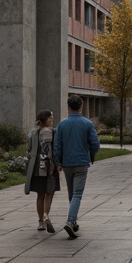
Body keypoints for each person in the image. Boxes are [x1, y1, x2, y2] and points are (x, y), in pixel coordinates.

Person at [53, 93, 100, 239]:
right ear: (81, 106)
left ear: (68, 107)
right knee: (78, 194)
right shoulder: (87, 124)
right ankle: (70, 220)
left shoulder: (62, 124)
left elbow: (57, 146)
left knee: (72, 194)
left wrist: (58, 162)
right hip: (81, 163)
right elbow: (95, 144)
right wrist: (91, 153)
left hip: (67, 164)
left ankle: (73, 221)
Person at [24, 111, 60, 233]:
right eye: (50, 118)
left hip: (36, 168)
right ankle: (45, 216)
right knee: (49, 193)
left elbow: (28, 151)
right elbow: (50, 151)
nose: (52, 120)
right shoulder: (50, 132)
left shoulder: (33, 133)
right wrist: (56, 166)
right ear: (45, 119)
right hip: (49, 166)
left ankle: (40, 221)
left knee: (40, 194)